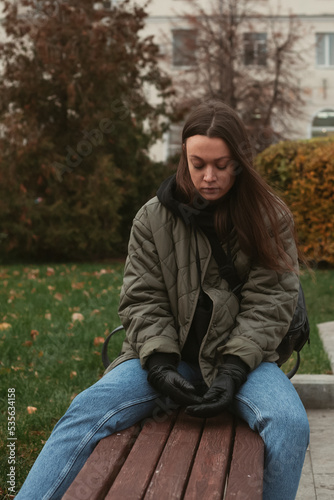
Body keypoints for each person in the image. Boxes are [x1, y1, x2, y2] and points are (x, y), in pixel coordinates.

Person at [16, 100, 309, 500]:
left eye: (222, 165)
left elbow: (270, 302)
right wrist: (157, 366)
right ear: (183, 158)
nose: (209, 176)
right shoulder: (151, 219)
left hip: (243, 364)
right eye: (197, 163)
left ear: (240, 161)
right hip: (165, 361)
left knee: (291, 423)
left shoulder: (269, 217)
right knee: (85, 410)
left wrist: (232, 371)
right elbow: (141, 298)